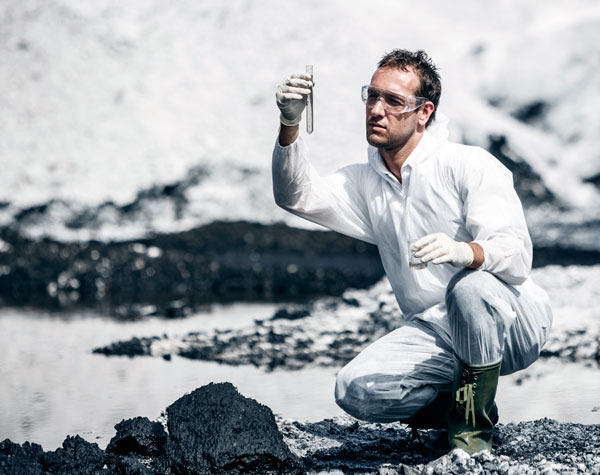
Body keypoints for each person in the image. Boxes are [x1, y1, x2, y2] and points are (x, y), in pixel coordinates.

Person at [272, 49, 552, 454]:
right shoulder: (366, 181)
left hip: (509, 319)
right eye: (372, 96)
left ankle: (472, 434)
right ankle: (453, 407)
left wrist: (464, 251)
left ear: (424, 112)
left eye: (393, 101)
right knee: (355, 390)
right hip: (435, 330)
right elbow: (295, 196)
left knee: (468, 290)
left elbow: (516, 255)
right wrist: (290, 122)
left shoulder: (468, 164)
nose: (377, 109)